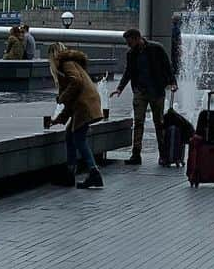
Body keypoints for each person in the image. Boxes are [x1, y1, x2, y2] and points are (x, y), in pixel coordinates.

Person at [111, 28, 174, 166]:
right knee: (138, 122)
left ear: (137, 38)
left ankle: (163, 155)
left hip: (156, 91)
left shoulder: (156, 48)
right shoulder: (131, 53)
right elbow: (128, 72)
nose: (128, 45)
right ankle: (136, 154)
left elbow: (167, 66)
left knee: (159, 123)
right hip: (140, 91)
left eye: (129, 42)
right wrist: (120, 88)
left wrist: (172, 82)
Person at [47, 42, 104, 189]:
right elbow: (71, 98)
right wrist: (58, 119)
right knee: (69, 135)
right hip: (84, 103)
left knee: (79, 138)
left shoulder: (66, 63)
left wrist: (62, 98)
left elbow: (76, 82)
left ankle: (94, 173)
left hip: (84, 105)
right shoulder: (71, 64)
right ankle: (70, 173)